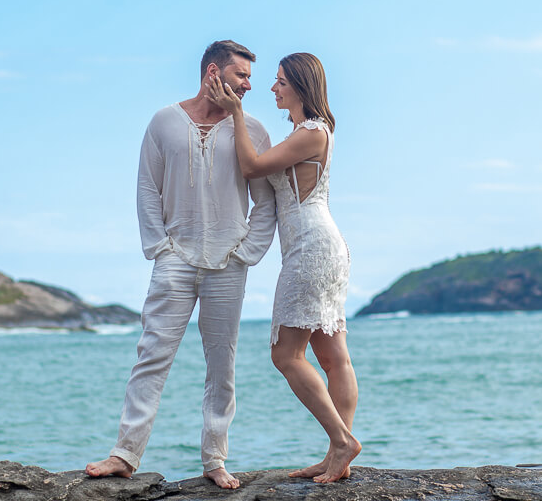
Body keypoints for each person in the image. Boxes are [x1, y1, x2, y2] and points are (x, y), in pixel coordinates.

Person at [85, 40, 277, 490]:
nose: (248, 85)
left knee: (222, 364)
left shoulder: (253, 130)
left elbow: (266, 202)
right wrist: (160, 247)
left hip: (228, 263)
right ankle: (125, 455)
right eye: (241, 75)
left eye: (249, 77)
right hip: (175, 257)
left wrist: (246, 252)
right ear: (213, 72)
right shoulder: (164, 122)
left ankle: (215, 459)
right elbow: (146, 188)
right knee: (151, 356)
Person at [207, 52, 360, 484]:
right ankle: (338, 455)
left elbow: (252, 166)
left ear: (300, 86)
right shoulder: (306, 131)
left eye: (280, 81)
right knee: (332, 356)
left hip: (311, 248)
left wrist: (236, 113)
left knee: (286, 355)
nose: (272, 88)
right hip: (320, 246)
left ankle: (342, 442)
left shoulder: (312, 132)